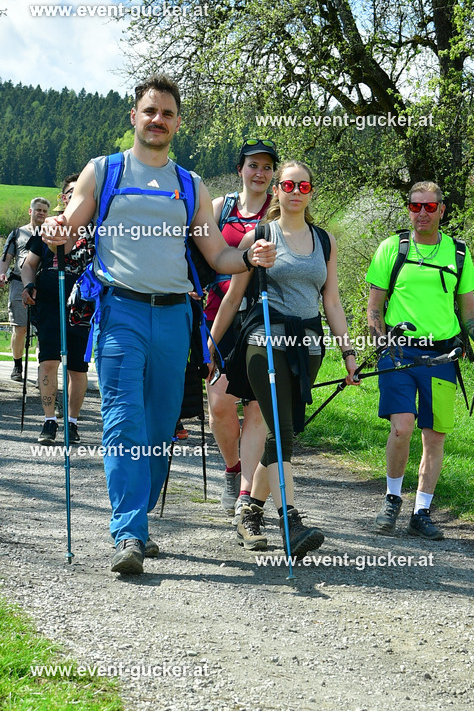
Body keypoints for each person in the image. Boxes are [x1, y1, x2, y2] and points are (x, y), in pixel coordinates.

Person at [40, 75, 275, 576]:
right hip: (120, 312)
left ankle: (137, 514)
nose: (157, 120)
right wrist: (56, 228)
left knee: (162, 427)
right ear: (134, 116)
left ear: (177, 123)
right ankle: (129, 531)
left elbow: (216, 253)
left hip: (175, 317)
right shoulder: (104, 171)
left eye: (167, 113)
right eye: (149, 111)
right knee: (124, 421)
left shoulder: (190, 185)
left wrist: (251, 256)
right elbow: (71, 225)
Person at [208, 160, 358, 558]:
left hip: (307, 344)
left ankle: (249, 512)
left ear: (311, 192)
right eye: (287, 184)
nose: (295, 191)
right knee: (282, 428)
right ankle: (290, 521)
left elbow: (332, 300)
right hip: (264, 340)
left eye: (303, 186)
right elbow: (233, 296)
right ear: (276, 190)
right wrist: (211, 344)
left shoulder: (324, 241)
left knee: (284, 431)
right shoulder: (259, 236)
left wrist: (348, 352)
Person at [366, 180, 474, 540]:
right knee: (402, 427)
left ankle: (422, 511)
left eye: (429, 207)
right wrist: (380, 343)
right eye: (415, 206)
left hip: (442, 355)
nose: (422, 213)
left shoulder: (459, 254)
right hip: (400, 352)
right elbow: (375, 307)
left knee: (434, 436)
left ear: (442, 210)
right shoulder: (392, 248)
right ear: (408, 208)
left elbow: (468, 308)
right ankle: (392, 499)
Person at [206, 138, 277, 522]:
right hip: (220, 313)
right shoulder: (221, 208)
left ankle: (246, 497)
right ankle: (232, 469)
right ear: (240, 169)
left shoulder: (279, 211)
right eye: (253, 165)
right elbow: (201, 254)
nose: (260, 173)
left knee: (255, 410)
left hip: (261, 320)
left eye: (267, 167)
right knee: (218, 404)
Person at [21, 176, 90, 445]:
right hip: (49, 304)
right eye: (71, 192)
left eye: (81, 192)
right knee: (48, 362)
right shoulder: (47, 229)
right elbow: (28, 265)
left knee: (77, 368)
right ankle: (50, 420)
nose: (76, 196)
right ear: (63, 198)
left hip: (83, 308)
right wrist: (28, 285)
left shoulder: (94, 230)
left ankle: (71, 422)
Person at [0, 197, 49, 380]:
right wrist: (1, 274)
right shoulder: (17, 233)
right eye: (38, 210)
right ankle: (17, 365)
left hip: (43, 286)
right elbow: (6, 258)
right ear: (31, 211)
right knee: (20, 329)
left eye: (44, 211)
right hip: (18, 284)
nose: (41, 213)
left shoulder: (52, 233)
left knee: (42, 330)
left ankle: (42, 370)